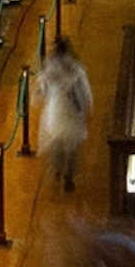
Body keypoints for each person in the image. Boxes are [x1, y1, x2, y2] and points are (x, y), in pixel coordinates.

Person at [37, 36, 93, 192]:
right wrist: (88, 105)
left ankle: (56, 170)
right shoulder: (75, 67)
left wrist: (40, 95)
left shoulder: (49, 66)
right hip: (72, 109)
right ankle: (67, 175)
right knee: (71, 144)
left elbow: (43, 87)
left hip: (56, 107)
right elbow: (84, 88)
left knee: (56, 140)